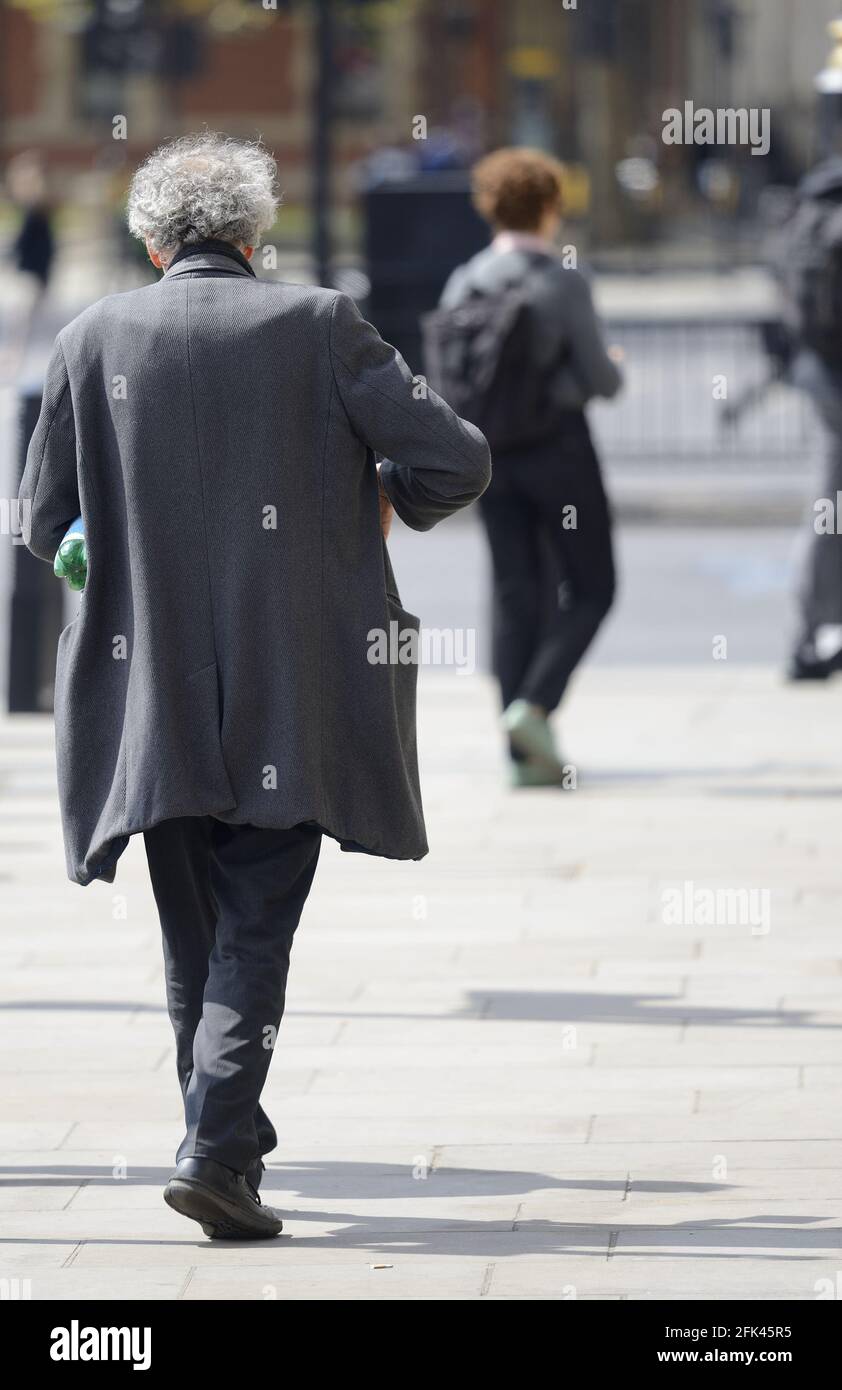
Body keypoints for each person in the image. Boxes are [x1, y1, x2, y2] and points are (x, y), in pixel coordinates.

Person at [18, 132, 490, 1240]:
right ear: (253, 236)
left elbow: (45, 524)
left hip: (152, 693)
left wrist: (108, 546)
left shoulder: (92, 338)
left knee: (196, 934)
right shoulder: (318, 323)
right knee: (257, 925)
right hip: (297, 682)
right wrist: (377, 488)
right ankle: (218, 1148)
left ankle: (219, 1138)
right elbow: (454, 460)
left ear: (149, 240)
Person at [432, 148, 622, 784]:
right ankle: (534, 708)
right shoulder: (563, 280)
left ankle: (519, 758)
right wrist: (612, 364)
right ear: (548, 207)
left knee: (515, 594)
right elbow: (600, 379)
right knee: (593, 587)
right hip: (560, 452)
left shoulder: (463, 279)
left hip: (491, 457)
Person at [772, 158, 842, 680]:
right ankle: (810, 635)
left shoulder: (813, 202)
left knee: (828, 509)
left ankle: (809, 633)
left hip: (823, 376)